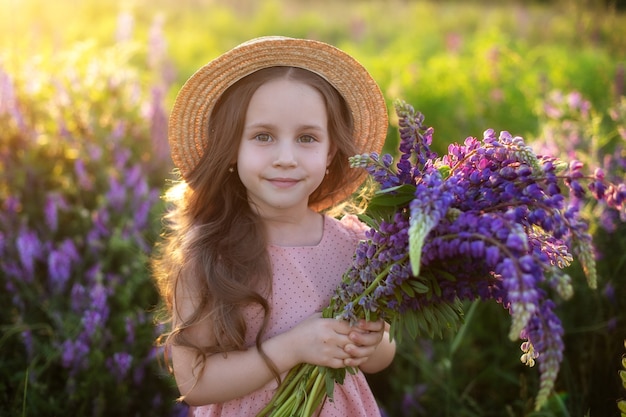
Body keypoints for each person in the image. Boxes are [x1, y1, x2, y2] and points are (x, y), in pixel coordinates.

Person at [152, 36, 396, 416]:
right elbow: (195, 383)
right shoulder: (208, 252)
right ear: (232, 148)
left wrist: (374, 341)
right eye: (263, 136)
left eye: (307, 138)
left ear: (330, 151)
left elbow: (379, 357)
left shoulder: (358, 247)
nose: (286, 157)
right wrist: (292, 348)